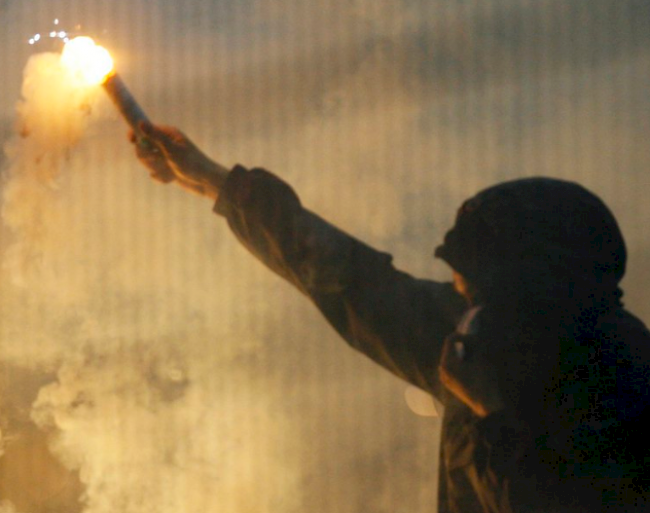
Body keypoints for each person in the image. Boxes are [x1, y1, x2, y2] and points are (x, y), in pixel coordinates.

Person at [130, 123, 650, 513]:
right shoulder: (478, 336)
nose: (459, 301)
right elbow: (347, 279)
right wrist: (211, 179)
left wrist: (491, 417)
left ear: (525, 292)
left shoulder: (622, 384)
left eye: (470, 288)